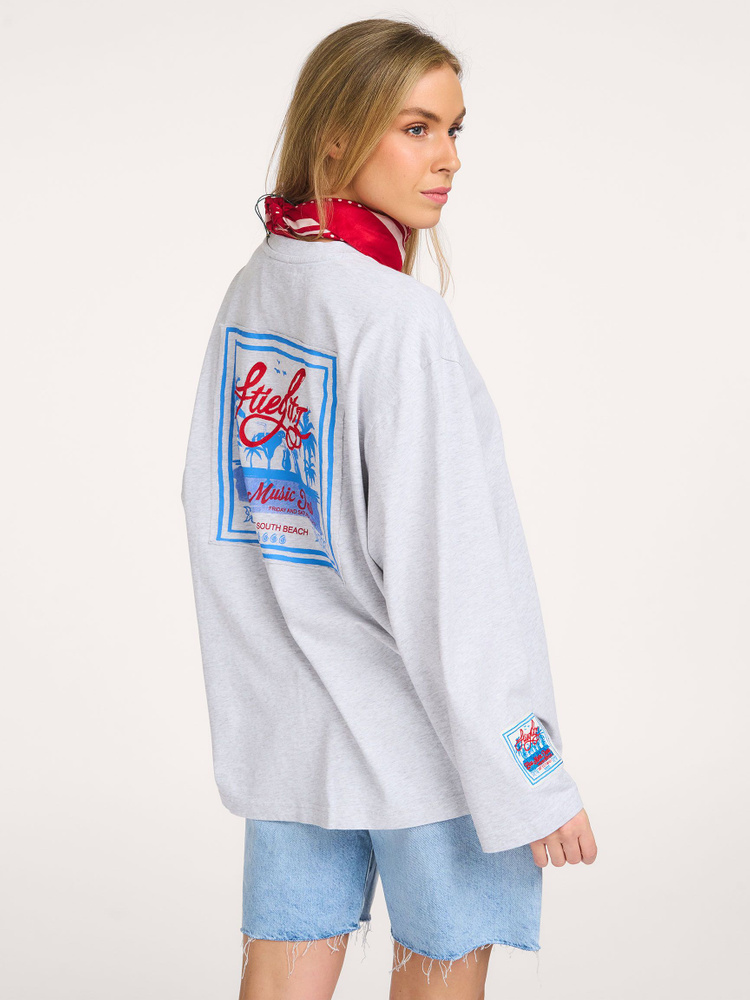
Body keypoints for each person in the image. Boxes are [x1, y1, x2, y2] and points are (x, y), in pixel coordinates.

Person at [180, 16, 597, 1000]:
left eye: (454, 129)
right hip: (432, 750)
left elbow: (219, 517)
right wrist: (531, 770)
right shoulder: (400, 319)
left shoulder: (255, 292)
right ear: (335, 139)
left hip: (295, 736)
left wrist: (269, 693)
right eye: (417, 129)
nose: (448, 159)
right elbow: (452, 574)